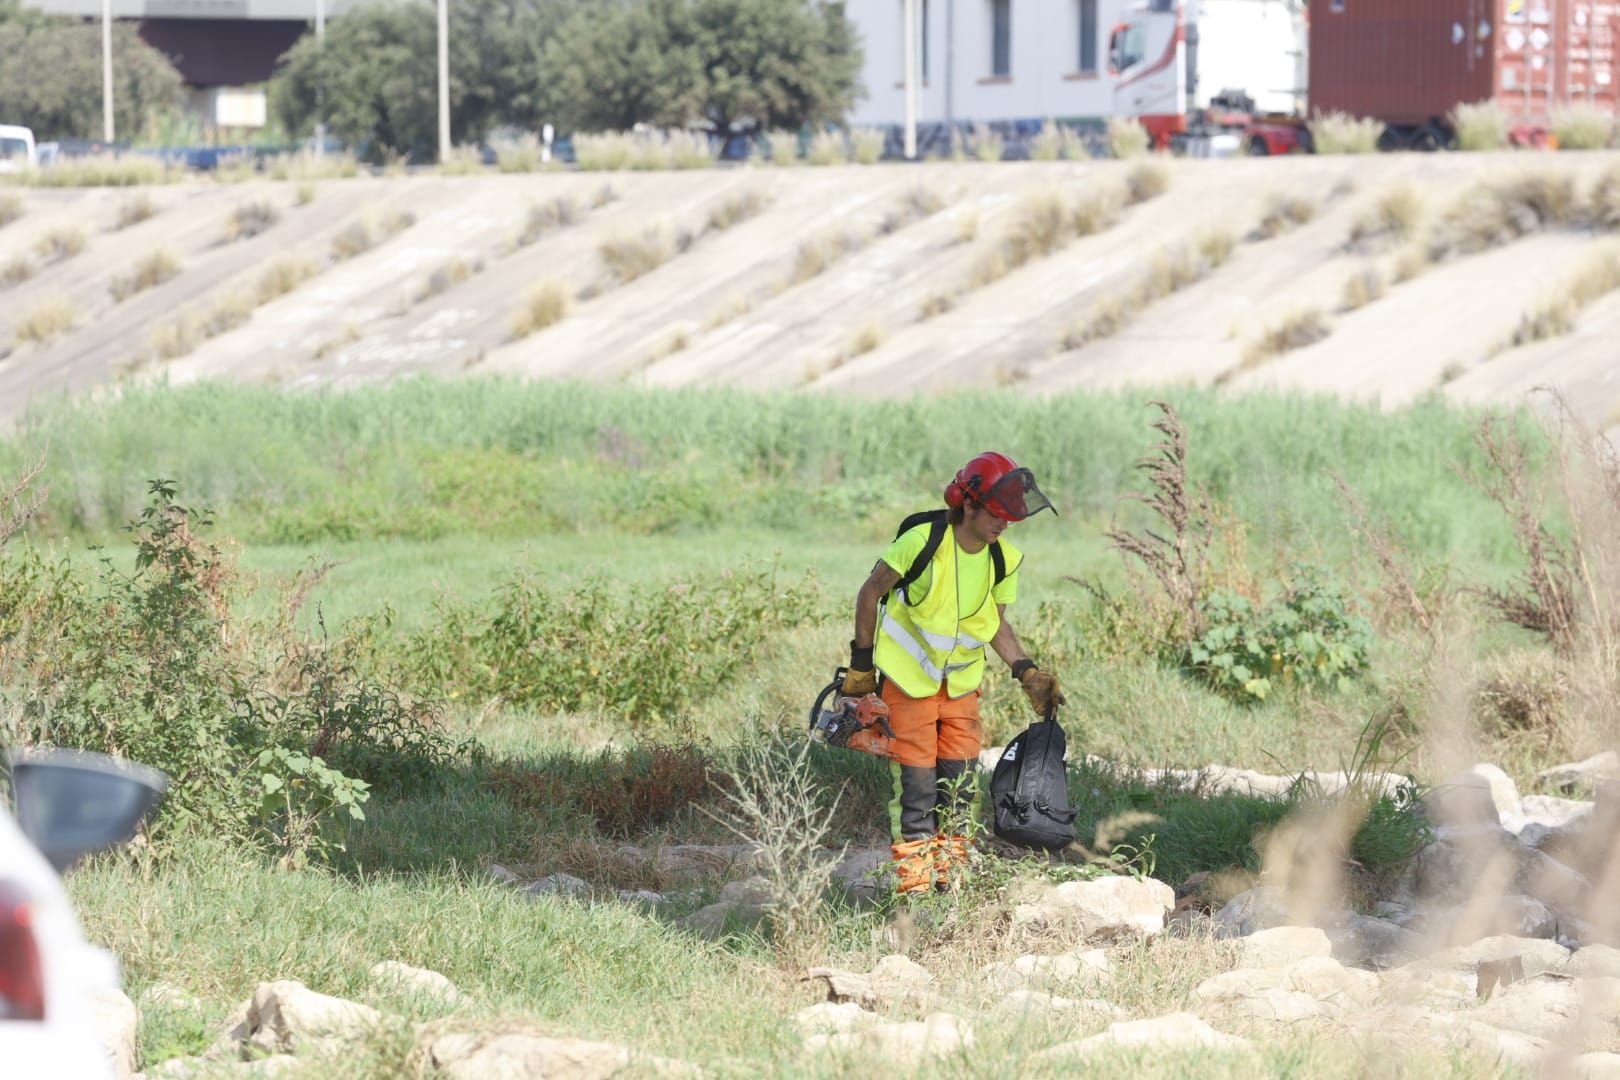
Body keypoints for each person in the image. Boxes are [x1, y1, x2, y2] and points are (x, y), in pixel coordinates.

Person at [841, 452, 1064, 894]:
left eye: (1011, 516)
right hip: (908, 688)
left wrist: (1026, 671)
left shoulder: (1004, 559)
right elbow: (870, 594)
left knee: (961, 791)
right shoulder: (922, 541)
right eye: (997, 514)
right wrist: (862, 667)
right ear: (969, 504)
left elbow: (994, 620)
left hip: (961, 688)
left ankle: (952, 887)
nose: (1004, 524)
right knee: (917, 792)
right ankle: (917, 895)